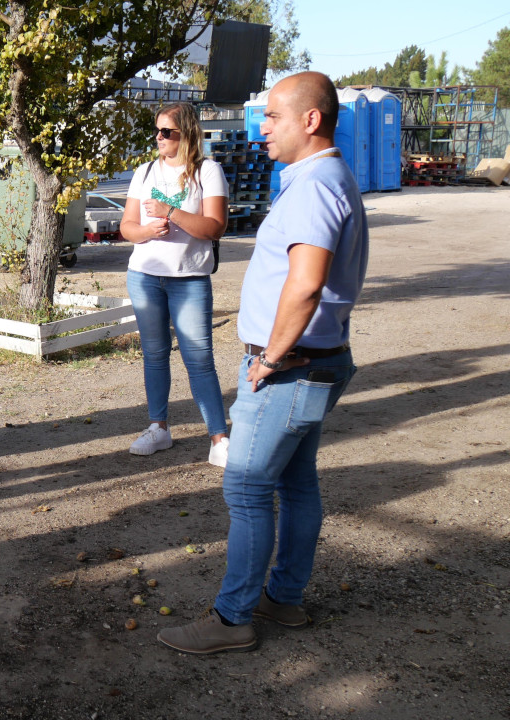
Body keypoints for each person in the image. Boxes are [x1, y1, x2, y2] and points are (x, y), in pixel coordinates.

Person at [157, 72, 369, 654]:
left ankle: (232, 620)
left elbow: (305, 284)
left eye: (273, 116)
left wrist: (270, 357)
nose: (262, 127)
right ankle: (285, 596)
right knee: (297, 483)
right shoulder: (318, 179)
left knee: (248, 490)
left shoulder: (315, 186)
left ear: (311, 120)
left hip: (290, 367)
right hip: (310, 361)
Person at [120, 102, 230, 467]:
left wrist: (171, 213)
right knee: (154, 354)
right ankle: (158, 428)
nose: (158, 138)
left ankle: (218, 438)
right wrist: (147, 232)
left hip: (190, 278)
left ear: (187, 133)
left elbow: (214, 227)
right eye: (157, 130)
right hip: (145, 276)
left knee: (199, 358)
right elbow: (127, 228)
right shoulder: (145, 171)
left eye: (166, 131)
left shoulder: (208, 172)